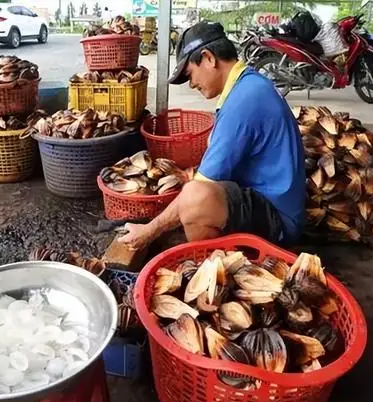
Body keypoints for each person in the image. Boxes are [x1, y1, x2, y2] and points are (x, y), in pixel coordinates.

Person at [119, 22, 306, 251]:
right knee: (192, 189)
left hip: (279, 220)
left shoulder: (244, 101)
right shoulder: (247, 86)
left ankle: (215, 265)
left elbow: (200, 191)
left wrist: (149, 231)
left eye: (190, 74)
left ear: (208, 58)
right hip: (268, 200)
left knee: (195, 198)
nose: (191, 84)